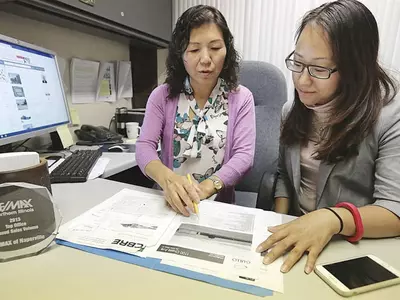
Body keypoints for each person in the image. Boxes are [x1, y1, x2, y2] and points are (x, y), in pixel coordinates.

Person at [257, 0, 400, 274]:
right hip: (298, 242)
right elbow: (284, 177)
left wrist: (332, 218)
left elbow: (394, 210)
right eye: (298, 63)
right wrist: (281, 219)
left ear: (355, 69)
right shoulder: (292, 111)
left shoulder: (390, 115)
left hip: (350, 250)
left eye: (319, 69)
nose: (301, 80)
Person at [136, 5, 256, 216]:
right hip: (168, 204)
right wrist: (169, 180)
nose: (206, 59)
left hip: (218, 208)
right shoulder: (162, 96)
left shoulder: (241, 97)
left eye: (215, 48)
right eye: (193, 49)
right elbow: (145, 146)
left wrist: (206, 187)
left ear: (227, 50)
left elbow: (244, 155)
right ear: (180, 54)